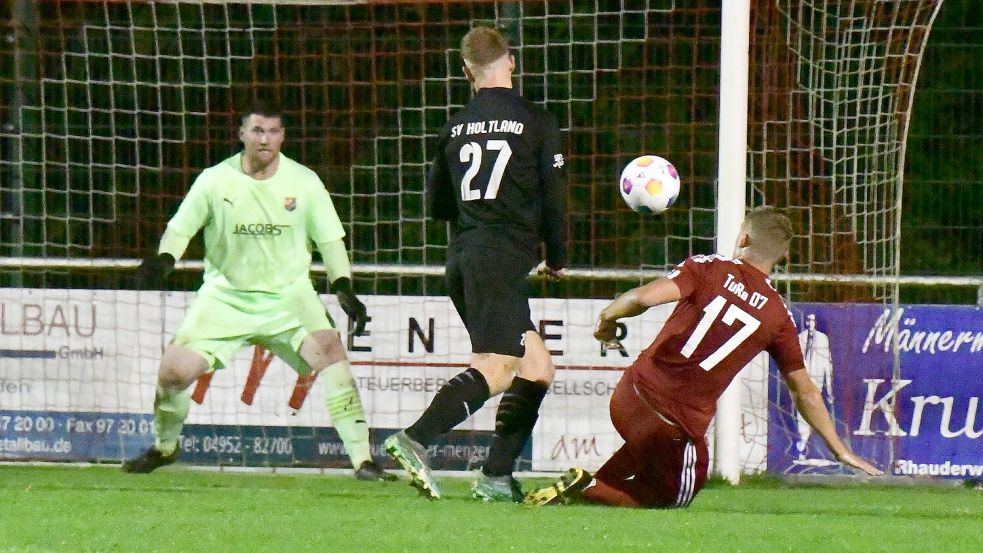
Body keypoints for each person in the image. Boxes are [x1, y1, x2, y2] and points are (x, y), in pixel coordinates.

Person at [524, 206, 882, 508]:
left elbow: (645, 297)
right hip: (672, 425)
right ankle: (590, 487)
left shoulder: (706, 267)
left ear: (743, 240)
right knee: (679, 495)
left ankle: (589, 483)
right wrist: (839, 450)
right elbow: (805, 391)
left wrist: (607, 318)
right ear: (782, 256)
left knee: (653, 451)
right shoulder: (778, 316)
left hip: (628, 397)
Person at [122, 100, 394, 481]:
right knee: (172, 375)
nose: (265, 140)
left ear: (283, 136)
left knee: (332, 355)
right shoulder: (215, 180)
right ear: (242, 135)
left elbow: (331, 242)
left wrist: (343, 286)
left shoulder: (304, 182)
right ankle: (165, 447)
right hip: (225, 297)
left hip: (290, 299)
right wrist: (164, 260)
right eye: (257, 131)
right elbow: (181, 229)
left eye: (273, 132)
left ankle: (363, 460)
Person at [383, 25, 567, 502]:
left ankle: (496, 477)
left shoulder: (453, 126)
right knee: (499, 366)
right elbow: (554, 196)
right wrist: (559, 255)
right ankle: (415, 439)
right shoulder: (536, 120)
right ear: (512, 60)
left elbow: (439, 207)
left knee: (537, 368)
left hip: (464, 257)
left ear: (467, 72)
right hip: (500, 261)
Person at [795, 313, 835, 461]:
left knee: (816, 410)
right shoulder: (800, 338)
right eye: (807, 320)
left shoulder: (823, 338)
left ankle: (813, 445)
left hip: (817, 379)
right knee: (802, 411)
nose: (810, 323)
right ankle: (803, 442)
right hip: (803, 378)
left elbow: (827, 363)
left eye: (812, 320)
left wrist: (829, 387)